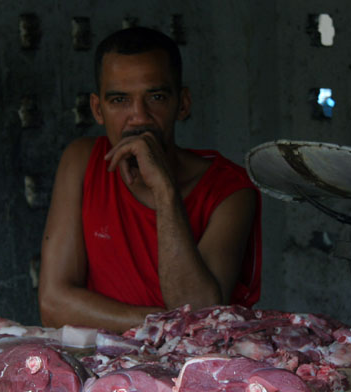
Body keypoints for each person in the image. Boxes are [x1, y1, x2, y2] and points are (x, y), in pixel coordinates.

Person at [38, 27, 261, 333]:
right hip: (105, 366)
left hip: (196, 371)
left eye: (156, 97)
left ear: (182, 104)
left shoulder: (230, 190)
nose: (139, 116)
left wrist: (164, 190)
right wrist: (164, 323)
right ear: (97, 109)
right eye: (119, 100)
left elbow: (201, 316)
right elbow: (53, 306)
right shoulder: (82, 161)